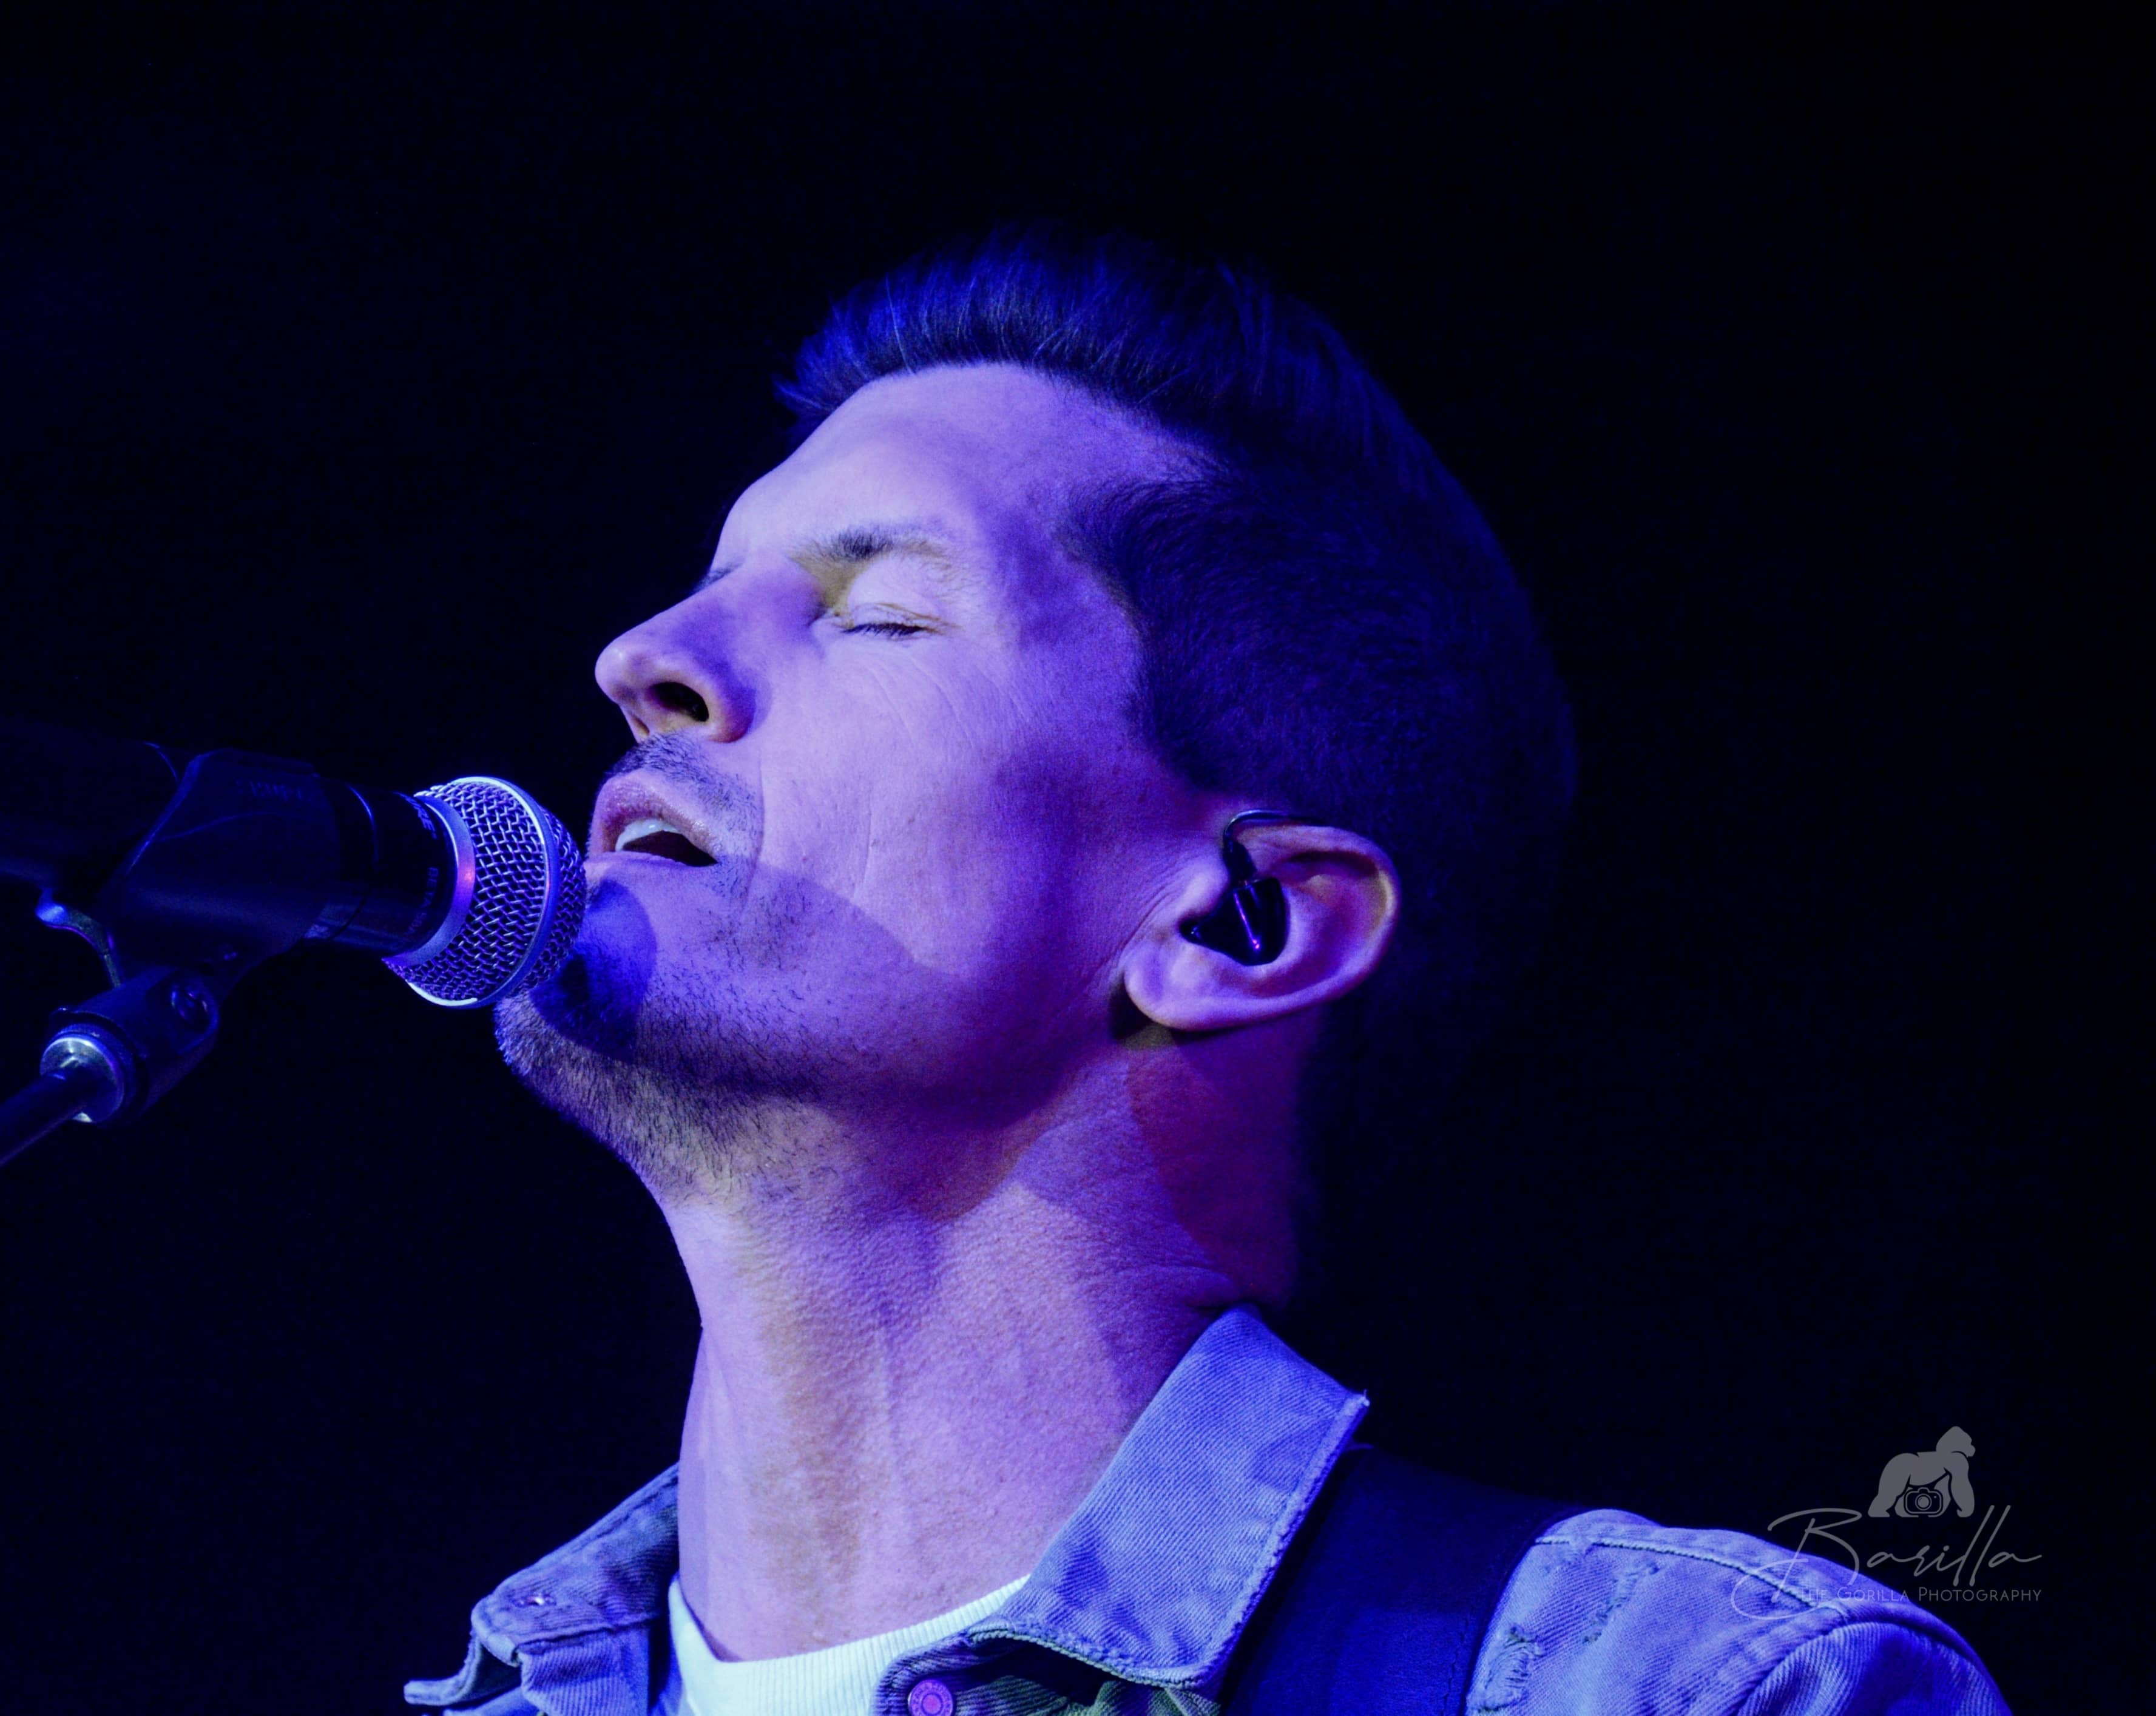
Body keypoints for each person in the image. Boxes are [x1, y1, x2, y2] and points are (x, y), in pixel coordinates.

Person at [406, 234, 2007, 1716]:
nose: (644, 659)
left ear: (1242, 926)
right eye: (711, 581)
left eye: (879, 614)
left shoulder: (1685, 1687)